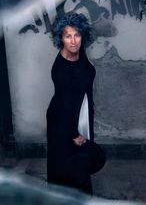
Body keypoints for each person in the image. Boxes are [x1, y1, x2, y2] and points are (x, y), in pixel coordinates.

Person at [46, 12, 106, 195]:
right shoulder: (61, 70)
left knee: (79, 163)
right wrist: (74, 133)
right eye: (68, 36)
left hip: (81, 114)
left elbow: (85, 79)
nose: (73, 41)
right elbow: (64, 106)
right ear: (60, 38)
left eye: (77, 35)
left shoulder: (79, 53)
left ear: (82, 36)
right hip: (64, 123)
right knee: (67, 165)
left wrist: (90, 102)